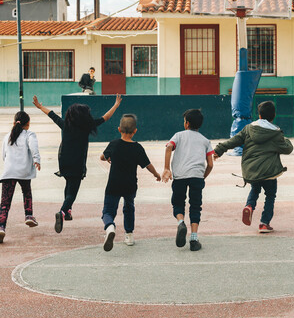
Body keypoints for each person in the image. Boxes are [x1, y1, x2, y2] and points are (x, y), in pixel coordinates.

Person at [33, 94, 122, 233]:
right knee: (72, 193)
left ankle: (67, 212)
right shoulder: (87, 127)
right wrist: (116, 105)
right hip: (77, 163)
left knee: (68, 184)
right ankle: (62, 212)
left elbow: (52, 115)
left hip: (64, 161)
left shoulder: (65, 125)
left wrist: (39, 106)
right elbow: (106, 117)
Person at [214, 101, 293, 233]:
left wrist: (219, 150)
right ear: (273, 116)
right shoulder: (276, 133)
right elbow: (288, 149)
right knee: (270, 196)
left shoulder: (249, 128)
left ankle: (249, 206)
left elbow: (234, 141)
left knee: (255, 189)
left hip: (252, 170)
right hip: (269, 172)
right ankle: (264, 223)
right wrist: (285, 139)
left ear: (259, 115)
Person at [101, 114, 161, 252]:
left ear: (119, 129)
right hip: (130, 184)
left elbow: (102, 157)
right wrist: (156, 174)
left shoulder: (113, 144)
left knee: (108, 211)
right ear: (135, 131)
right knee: (129, 208)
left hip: (114, 184)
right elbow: (148, 164)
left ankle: (110, 226)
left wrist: (108, 157)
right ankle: (129, 235)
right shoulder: (137, 148)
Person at [162, 109, 214, 251]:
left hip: (180, 176)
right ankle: (194, 239)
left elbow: (169, 147)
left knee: (178, 202)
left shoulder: (178, 136)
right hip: (197, 176)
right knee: (195, 206)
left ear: (187, 123)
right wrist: (202, 176)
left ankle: (180, 223)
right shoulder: (205, 141)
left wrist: (167, 168)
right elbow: (210, 164)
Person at [0, 111, 40, 243]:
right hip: (23, 172)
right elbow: (33, 146)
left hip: (9, 172)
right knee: (27, 192)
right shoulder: (30, 134)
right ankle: (29, 215)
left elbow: (3, 155)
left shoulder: (7, 136)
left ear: (14, 122)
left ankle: (1, 227)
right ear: (28, 124)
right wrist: (36, 160)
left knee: (5, 203)